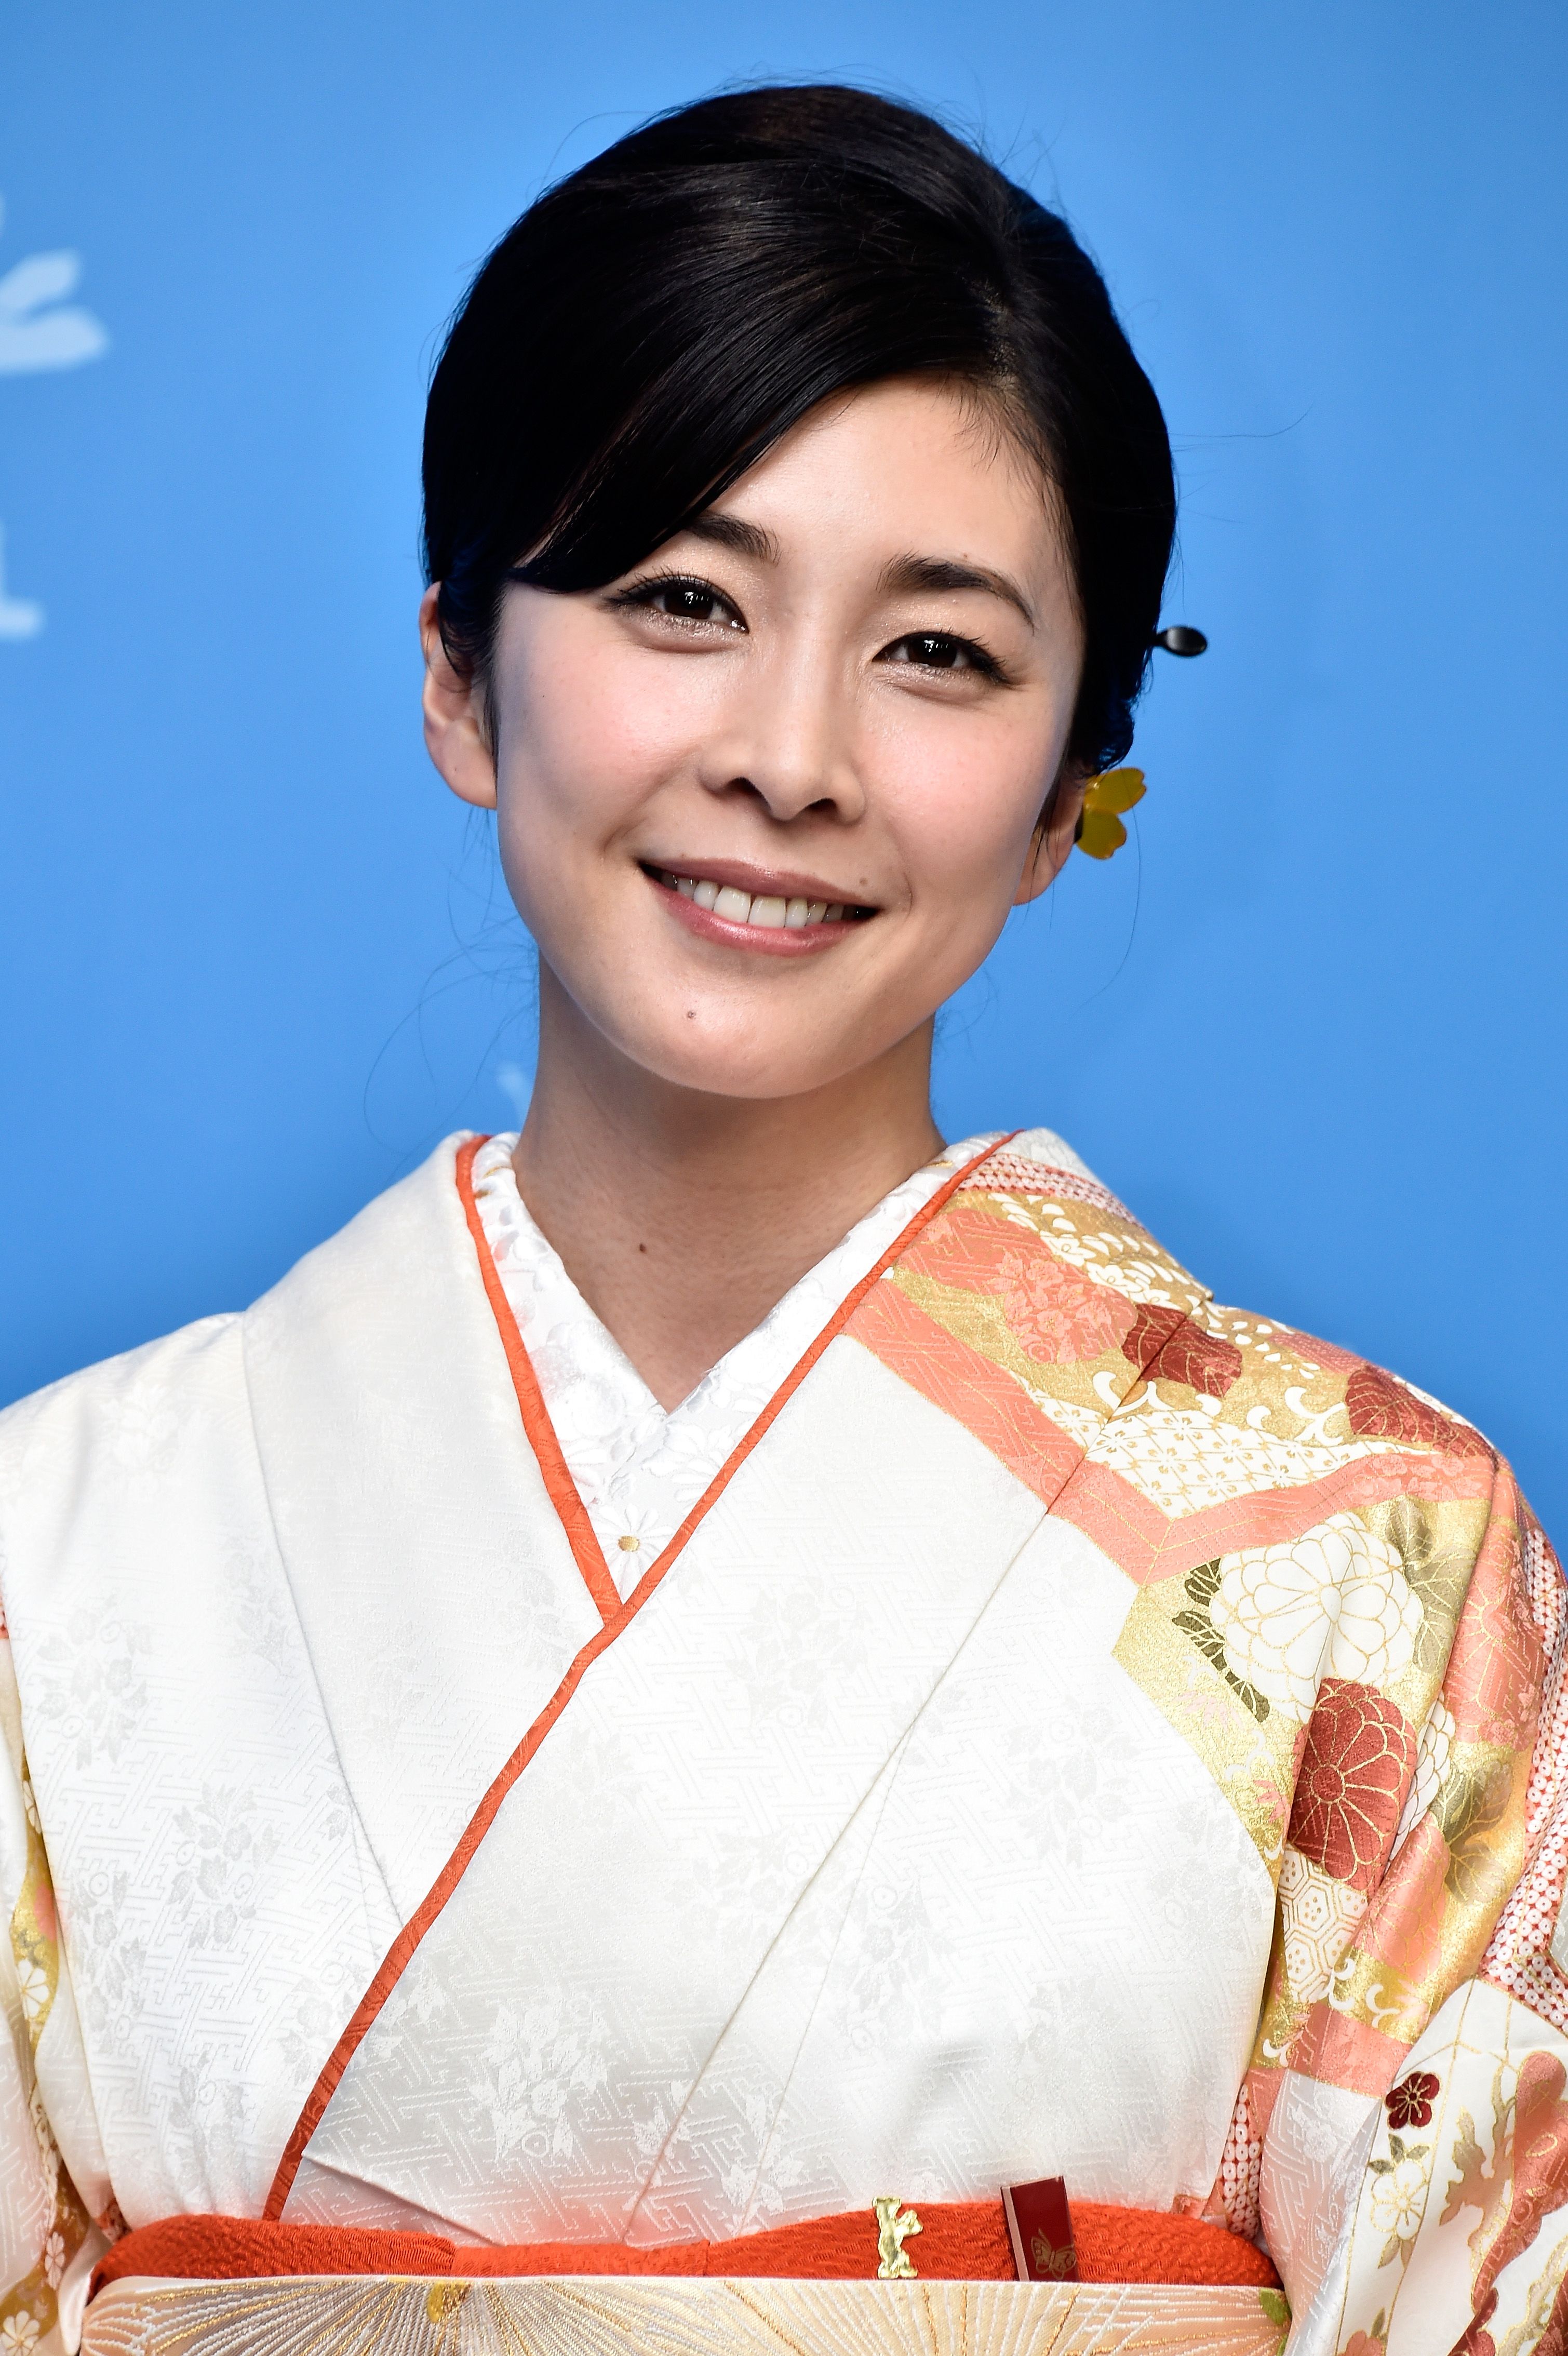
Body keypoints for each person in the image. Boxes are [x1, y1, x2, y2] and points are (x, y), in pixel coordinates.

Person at [1, 82, 1562, 2356]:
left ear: (1060, 799)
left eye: (936, 651)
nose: (790, 753)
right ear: (458, 670)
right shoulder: (51, 1550)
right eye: (678, 600)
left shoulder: (1372, 1565)